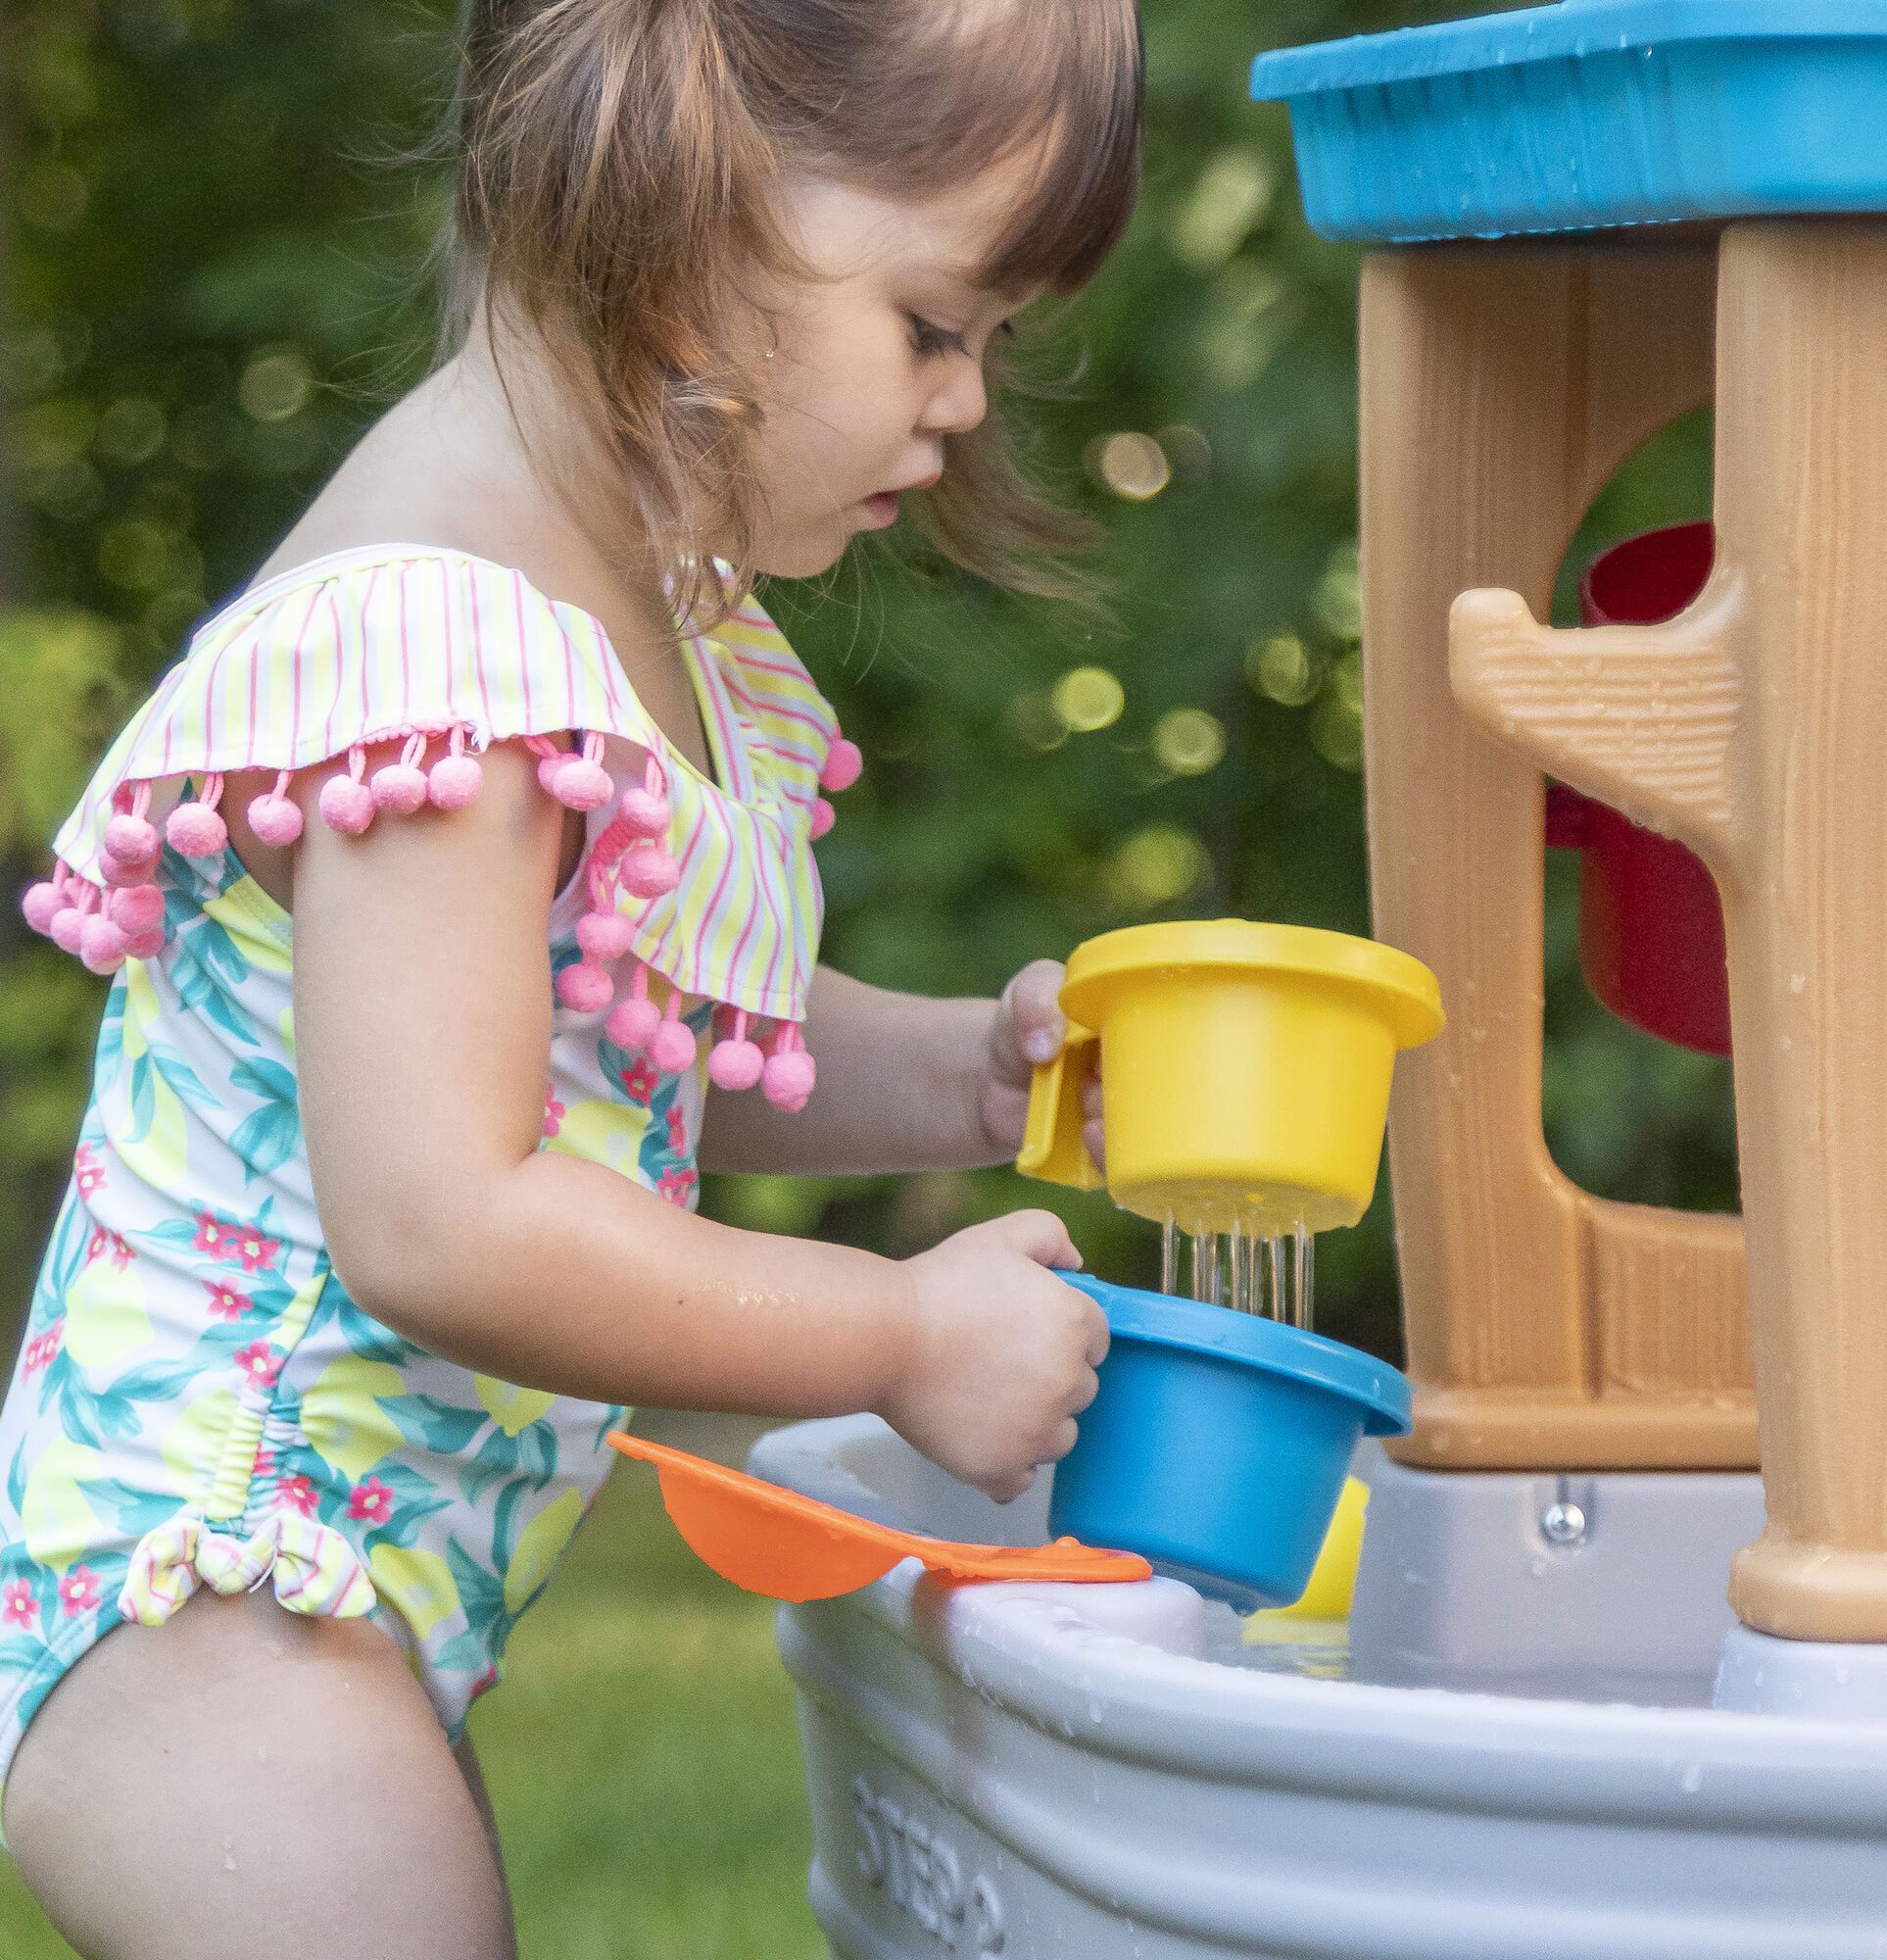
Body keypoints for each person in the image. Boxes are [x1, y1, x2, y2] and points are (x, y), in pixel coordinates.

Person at [0, 1, 1143, 1949]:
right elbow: (442, 1219)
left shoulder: (624, 628)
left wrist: (974, 1073)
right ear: (676, 214)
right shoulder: (440, 642)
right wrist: (893, 1330)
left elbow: (648, 1046)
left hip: (323, 1596)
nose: (962, 407)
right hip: (215, 1583)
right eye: (935, 327)